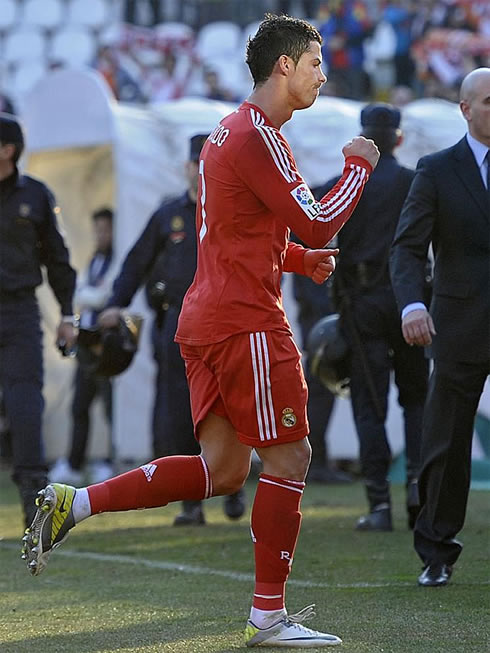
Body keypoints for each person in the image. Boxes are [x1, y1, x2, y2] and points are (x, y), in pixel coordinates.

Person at [22, 15, 379, 647]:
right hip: (246, 323)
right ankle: (268, 615)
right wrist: (358, 166)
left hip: (205, 320)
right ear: (286, 65)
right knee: (291, 455)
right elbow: (319, 221)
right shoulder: (258, 135)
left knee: (220, 472)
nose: (325, 75)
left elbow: (236, 234)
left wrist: (296, 260)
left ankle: (71, 504)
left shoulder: (226, 133)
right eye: (317, 63)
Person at [99, 134, 245, 526]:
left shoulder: (230, 210)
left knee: (233, 406)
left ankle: (235, 485)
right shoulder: (169, 215)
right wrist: (117, 302)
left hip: (228, 322)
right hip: (179, 326)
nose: (201, 170)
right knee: (179, 411)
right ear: (187, 167)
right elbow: (136, 261)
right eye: (196, 163)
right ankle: (190, 503)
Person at [390, 67, 490, 586]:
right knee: (445, 444)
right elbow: (407, 247)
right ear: (466, 109)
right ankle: (436, 552)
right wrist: (412, 305)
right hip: (458, 323)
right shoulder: (436, 170)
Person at [317, 103, 430, 531]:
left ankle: (379, 504)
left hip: (361, 305)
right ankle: (418, 488)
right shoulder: (415, 182)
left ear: (364, 138)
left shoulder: (344, 185)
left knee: (369, 407)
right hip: (410, 302)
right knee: (416, 400)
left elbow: (310, 229)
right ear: (398, 139)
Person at [0, 113, 77, 528]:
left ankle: (36, 498)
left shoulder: (36, 196)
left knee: (25, 401)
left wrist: (68, 316)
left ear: (7, 150)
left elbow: (59, 262)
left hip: (17, 310)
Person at [49, 209, 116, 486]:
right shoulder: (94, 260)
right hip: (87, 343)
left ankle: (113, 460)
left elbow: (103, 297)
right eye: (97, 230)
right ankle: (74, 464)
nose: (100, 235)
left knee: (110, 408)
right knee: (79, 407)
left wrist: (87, 296)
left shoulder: (117, 260)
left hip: (106, 345)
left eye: (105, 229)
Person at [291, 243, 352, 484]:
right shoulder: (307, 208)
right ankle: (313, 460)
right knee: (318, 388)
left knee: (322, 389)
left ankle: (316, 459)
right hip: (320, 310)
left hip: (328, 306)